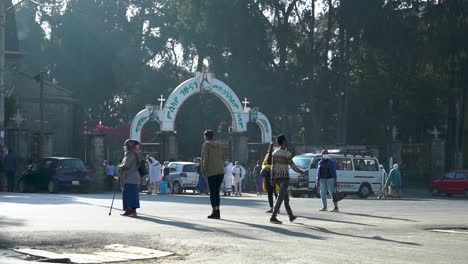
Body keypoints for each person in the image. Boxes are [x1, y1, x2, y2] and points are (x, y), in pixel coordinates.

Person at [270, 134, 304, 224]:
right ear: (284, 142)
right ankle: (273, 217)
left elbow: (272, 167)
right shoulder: (287, 154)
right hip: (284, 178)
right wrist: (301, 171)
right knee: (281, 198)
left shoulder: (274, 153)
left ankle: (291, 216)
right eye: (286, 140)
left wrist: (272, 178)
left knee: (286, 198)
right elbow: (293, 166)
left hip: (276, 178)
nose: (287, 142)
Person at [201, 130, 225, 219]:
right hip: (220, 171)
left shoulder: (206, 145)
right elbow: (223, 157)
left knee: (212, 192)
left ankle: (214, 211)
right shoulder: (219, 145)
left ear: (206, 137)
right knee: (217, 192)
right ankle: (217, 211)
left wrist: (203, 171)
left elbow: (205, 159)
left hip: (211, 171)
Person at [117, 139, 143, 217]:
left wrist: (119, 166)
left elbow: (127, 165)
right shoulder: (136, 154)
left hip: (130, 177)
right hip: (134, 177)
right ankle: (133, 210)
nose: (125, 147)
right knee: (133, 195)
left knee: (127, 195)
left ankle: (129, 210)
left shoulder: (130, 154)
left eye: (126, 145)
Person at [262, 143, 278, 213]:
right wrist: (267, 167)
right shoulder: (268, 155)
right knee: (270, 193)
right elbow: (263, 165)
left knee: (276, 193)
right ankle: (272, 208)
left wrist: (269, 167)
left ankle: (277, 208)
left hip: (276, 175)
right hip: (268, 176)